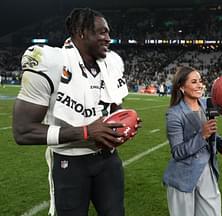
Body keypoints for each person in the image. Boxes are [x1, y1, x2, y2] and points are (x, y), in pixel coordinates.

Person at [12, 8, 136, 216]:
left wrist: (123, 124)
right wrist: (85, 132)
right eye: (102, 32)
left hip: (107, 159)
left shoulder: (111, 63)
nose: (108, 38)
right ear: (81, 32)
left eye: (108, 32)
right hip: (69, 161)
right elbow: (22, 131)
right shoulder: (51, 62)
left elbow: (115, 108)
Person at [163, 66, 222, 216]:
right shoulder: (174, 114)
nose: (200, 85)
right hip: (183, 176)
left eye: (200, 81)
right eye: (194, 82)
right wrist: (202, 136)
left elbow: (212, 132)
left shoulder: (206, 104)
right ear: (181, 87)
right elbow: (177, 152)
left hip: (207, 170)